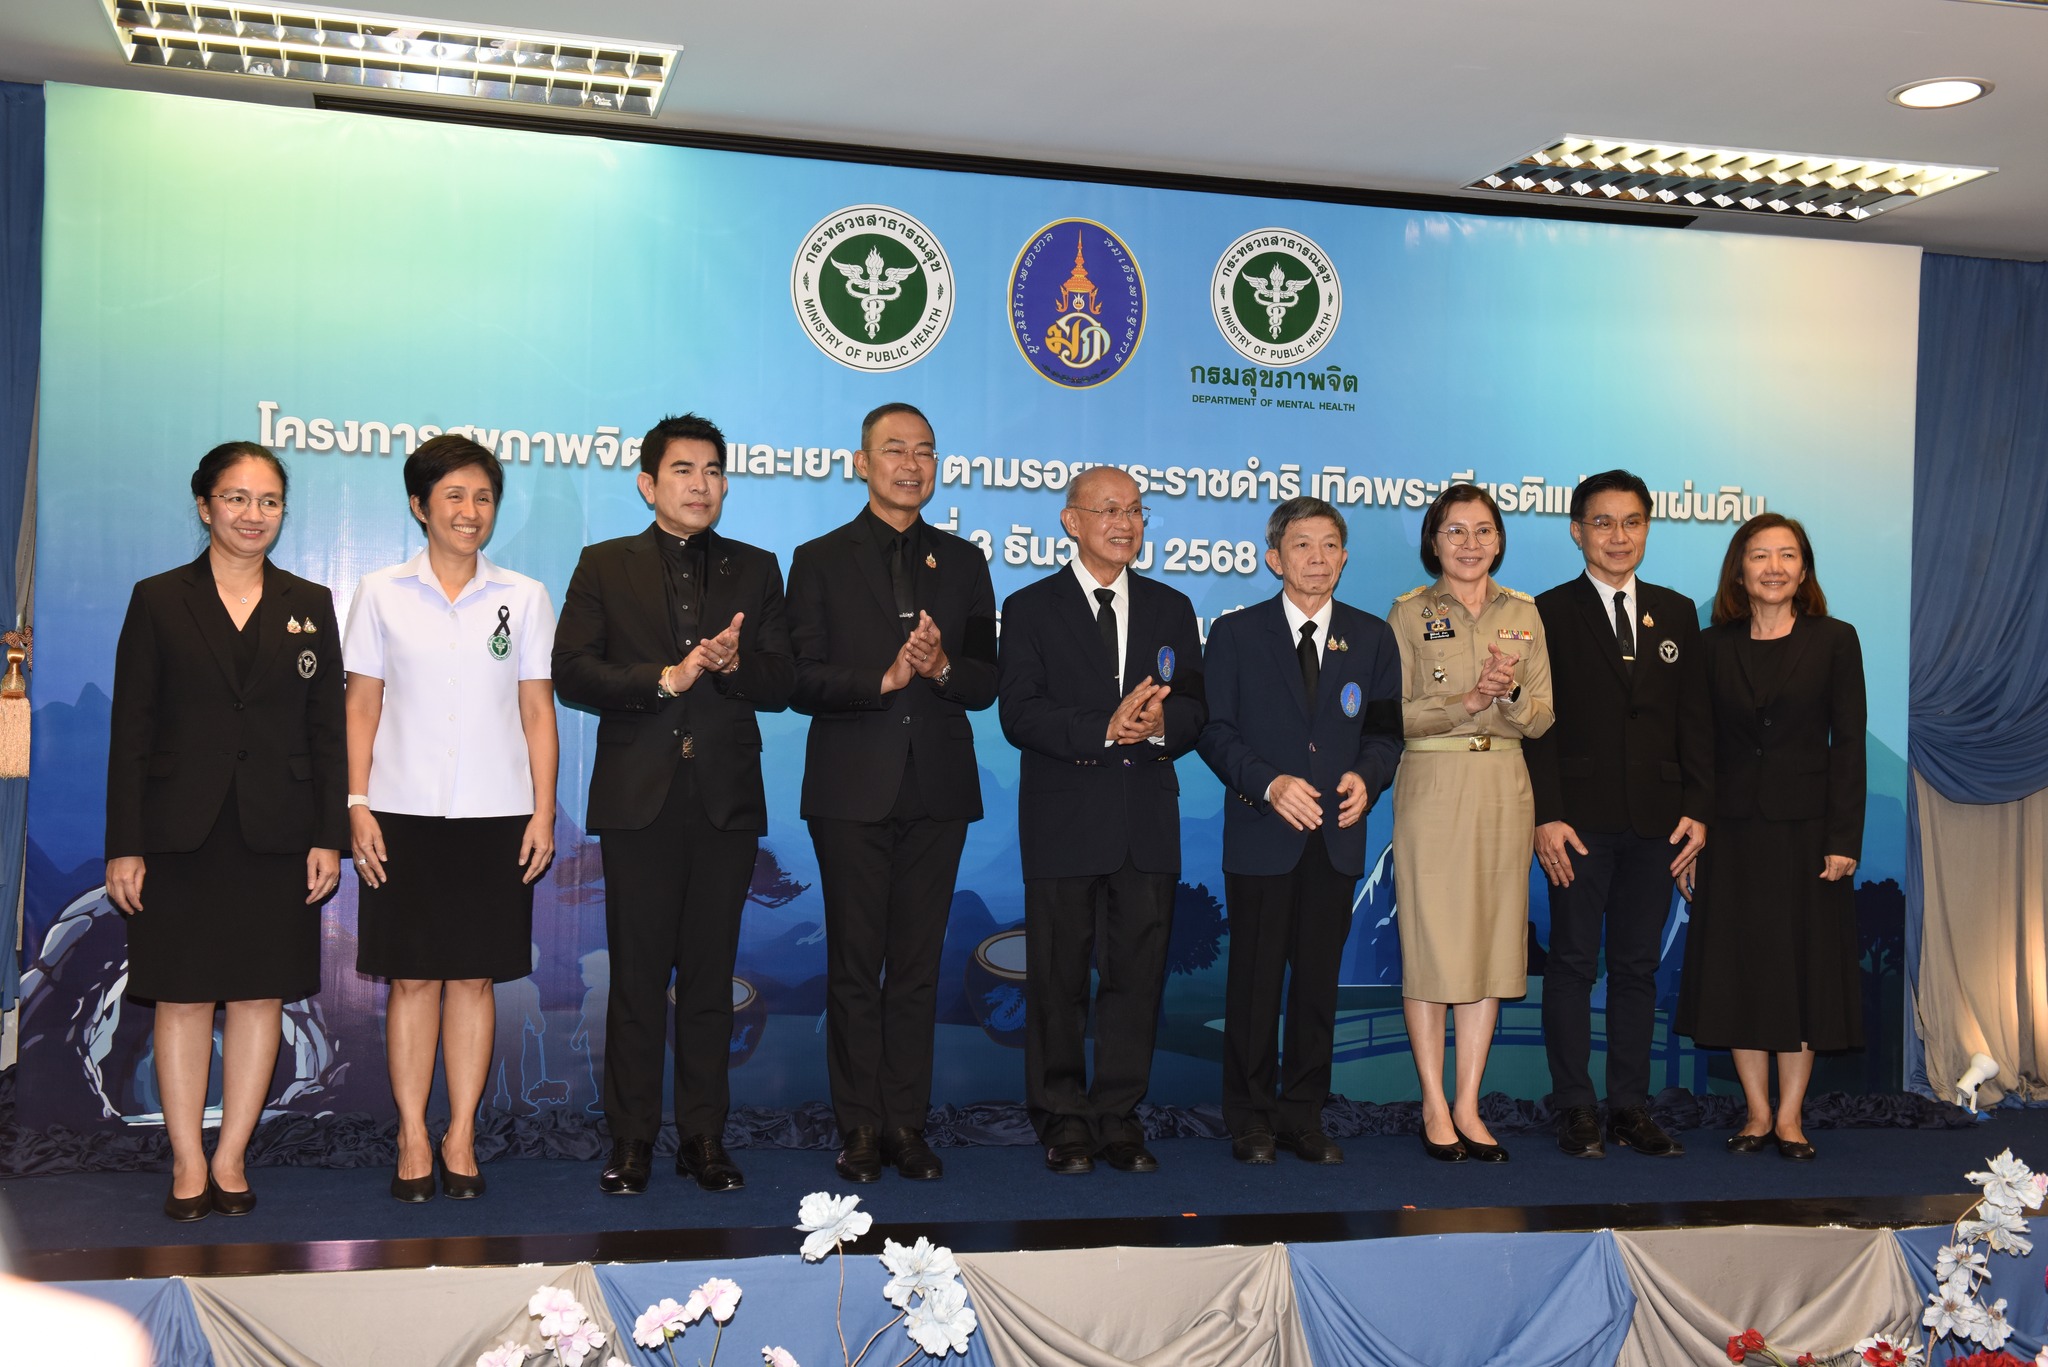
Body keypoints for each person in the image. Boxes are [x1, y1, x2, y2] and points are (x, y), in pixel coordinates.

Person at [553, 413, 793, 1195]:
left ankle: (703, 1137)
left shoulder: (757, 570)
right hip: (639, 801)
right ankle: (630, 1141)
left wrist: (730, 667)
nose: (701, 484)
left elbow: (783, 680)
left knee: (710, 981)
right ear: (648, 482)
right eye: (684, 470)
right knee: (635, 982)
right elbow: (574, 673)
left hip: (723, 802)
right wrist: (667, 677)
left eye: (714, 470)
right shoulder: (604, 565)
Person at [105, 441, 345, 1221]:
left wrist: (326, 834)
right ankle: (184, 1158)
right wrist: (126, 840)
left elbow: (327, 730)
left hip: (278, 831)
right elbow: (131, 728)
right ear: (205, 504)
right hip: (180, 831)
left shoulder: (310, 602)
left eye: (268, 500)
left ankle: (233, 1154)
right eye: (236, 498)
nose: (253, 514)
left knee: (257, 997)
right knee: (180, 997)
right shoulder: (159, 599)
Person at [344, 433, 559, 1202]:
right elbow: (362, 703)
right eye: (454, 497)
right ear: (419, 506)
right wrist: (356, 803)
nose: (470, 512)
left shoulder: (524, 595)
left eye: (483, 497)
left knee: (473, 979)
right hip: (399, 812)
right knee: (411, 982)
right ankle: (410, 1132)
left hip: (496, 815)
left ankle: (460, 1132)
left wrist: (542, 810)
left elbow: (538, 708)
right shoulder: (381, 591)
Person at [786, 402, 997, 1183]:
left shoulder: (965, 562)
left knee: (916, 967)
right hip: (850, 790)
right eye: (895, 450)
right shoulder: (818, 559)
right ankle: (859, 1127)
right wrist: (883, 677)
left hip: (938, 789)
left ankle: (907, 1124)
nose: (912, 464)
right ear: (862, 462)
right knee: (853, 965)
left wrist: (940, 667)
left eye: (926, 452)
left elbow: (986, 679)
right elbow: (799, 678)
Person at [998, 466, 1205, 1175]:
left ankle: (1118, 1116)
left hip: (1145, 823)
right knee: (1056, 981)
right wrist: (1103, 727)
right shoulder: (1030, 607)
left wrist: (1156, 725)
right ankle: (1062, 1119)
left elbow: (1198, 708)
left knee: (1135, 979)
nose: (1126, 522)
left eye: (1137, 510)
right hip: (1064, 821)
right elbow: (1018, 712)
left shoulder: (1171, 607)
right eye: (1110, 509)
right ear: (1071, 521)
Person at [1197, 496, 1400, 1165]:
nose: (1319, 558)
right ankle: (1249, 1116)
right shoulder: (1235, 634)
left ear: (1345, 557)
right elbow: (1214, 730)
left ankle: (1303, 1115)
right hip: (1263, 831)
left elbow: (1383, 731)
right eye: (1303, 545)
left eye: (1331, 545)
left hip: (1335, 836)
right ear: (1273, 557)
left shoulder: (1371, 636)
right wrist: (1267, 782)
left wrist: (1369, 777)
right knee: (1253, 984)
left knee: (1316, 984)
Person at [1526, 470, 1710, 1160]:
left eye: (1631, 521)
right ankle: (1574, 1105)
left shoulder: (1676, 610)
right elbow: (1535, 725)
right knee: (1572, 962)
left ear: (1648, 529)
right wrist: (1546, 815)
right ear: (1577, 530)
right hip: (1576, 823)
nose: (1618, 536)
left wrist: (1698, 810)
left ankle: (1630, 1105)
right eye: (1602, 522)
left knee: (1637, 967)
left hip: (1658, 825)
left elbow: (1695, 723)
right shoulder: (1545, 611)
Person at [1676, 514, 1865, 1162]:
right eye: (1761, 555)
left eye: (1787, 555)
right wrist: (1694, 828)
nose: (1774, 566)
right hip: (1730, 832)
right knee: (1739, 971)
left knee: (1799, 972)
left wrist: (1844, 837)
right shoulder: (1710, 646)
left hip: (1810, 833)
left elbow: (1850, 746)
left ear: (1804, 569)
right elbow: (1696, 746)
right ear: (1740, 568)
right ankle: (1755, 1113)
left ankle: (1790, 1117)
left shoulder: (1836, 641)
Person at [1390, 483, 1553, 1163]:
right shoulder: (1407, 613)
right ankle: (1432, 1101)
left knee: (1489, 942)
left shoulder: (1525, 613)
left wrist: (1507, 691)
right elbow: (1392, 714)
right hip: (1434, 778)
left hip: (1504, 783)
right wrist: (1466, 699)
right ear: (1434, 541)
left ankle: (1468, 1103)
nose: (1470, 544)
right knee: (1433, 942)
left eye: (1483, 530)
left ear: (1499, 538)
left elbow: (1541, 714)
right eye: (1455, 531)